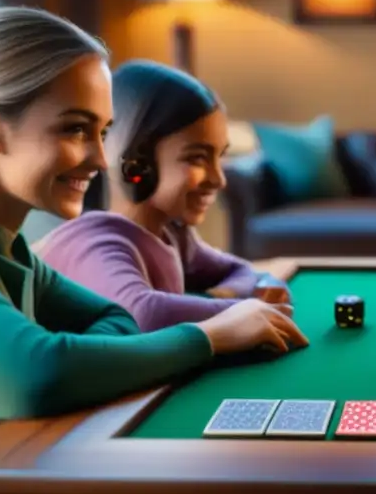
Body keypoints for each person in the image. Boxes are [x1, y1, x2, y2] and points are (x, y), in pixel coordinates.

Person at [0, 6, 306, 494]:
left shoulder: (7, 246)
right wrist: (207, 337)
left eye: (104, 131)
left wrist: (69, 352)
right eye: (78, 129)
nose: (102, 160)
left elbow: (115, 321)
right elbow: (34, 373)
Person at [34, 60, 292, 333]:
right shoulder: (95, 243)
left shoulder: (173, 235)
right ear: (136, 165)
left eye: (219, 156)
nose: (219, 179)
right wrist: (246, 307)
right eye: (197, 158)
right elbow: (142, 314)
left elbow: (242, 271)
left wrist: (236, 293)